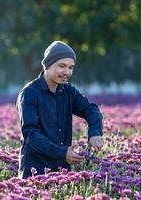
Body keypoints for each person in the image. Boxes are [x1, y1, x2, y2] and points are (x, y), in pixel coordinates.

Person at [16, 41, 104, 179]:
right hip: (35, 172)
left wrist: (95, 132)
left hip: (62, 172)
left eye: (71, 67)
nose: (67, 72)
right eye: (62, 66)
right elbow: (31, 134)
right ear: (48, 65)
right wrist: (62, 152)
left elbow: (91, 109)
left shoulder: (68, 91)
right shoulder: (29, 93)